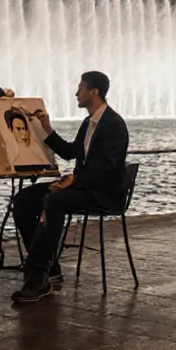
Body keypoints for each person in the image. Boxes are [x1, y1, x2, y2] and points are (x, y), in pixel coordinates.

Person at [11, 71, 129, 302]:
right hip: (83, 187)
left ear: (93, 92)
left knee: (54, 201)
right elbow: (69, 153)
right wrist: (47, 127)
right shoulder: (89, 123)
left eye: (80, 88)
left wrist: (73, 181)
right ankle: (49, 266)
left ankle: (37, 274)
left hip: (102, 194)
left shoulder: (114, 124)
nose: (77, 93)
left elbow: (106, 168)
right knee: (24, 200)